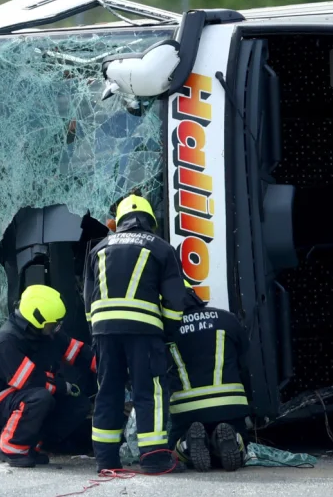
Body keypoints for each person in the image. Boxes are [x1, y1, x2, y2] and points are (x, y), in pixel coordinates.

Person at [84, 194, 188, 473]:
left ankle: (106, 462)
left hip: (104, 332)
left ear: (119, 222)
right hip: (143, 332)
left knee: (107, 392)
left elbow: (87, 299)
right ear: (149, 221)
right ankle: (153, 458)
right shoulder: (161, 248)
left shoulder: (99, 248)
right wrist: (168, 332)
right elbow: (176, 300)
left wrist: (96, 330)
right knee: (149, 392)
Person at [0, 284, 97, 467]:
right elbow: (30, 381)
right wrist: (63, 386)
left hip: (30, 392)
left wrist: (106, 366)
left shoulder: (47, 334)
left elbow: (77, 352)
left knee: (78, 405)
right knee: (40, 397)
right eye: (53, 323)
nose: (57, 327)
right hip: (0, 400)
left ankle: (32, 445)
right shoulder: (8, 341)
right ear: (38, 319)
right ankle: (10, 447)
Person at [167, 280, 252, 472]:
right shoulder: (227, 319)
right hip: (230, 404)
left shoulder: (167, 329)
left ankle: (187, 443)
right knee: (242, 442)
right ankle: (234, 440)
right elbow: (245, 360)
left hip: (186, 408)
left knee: (172, 449)